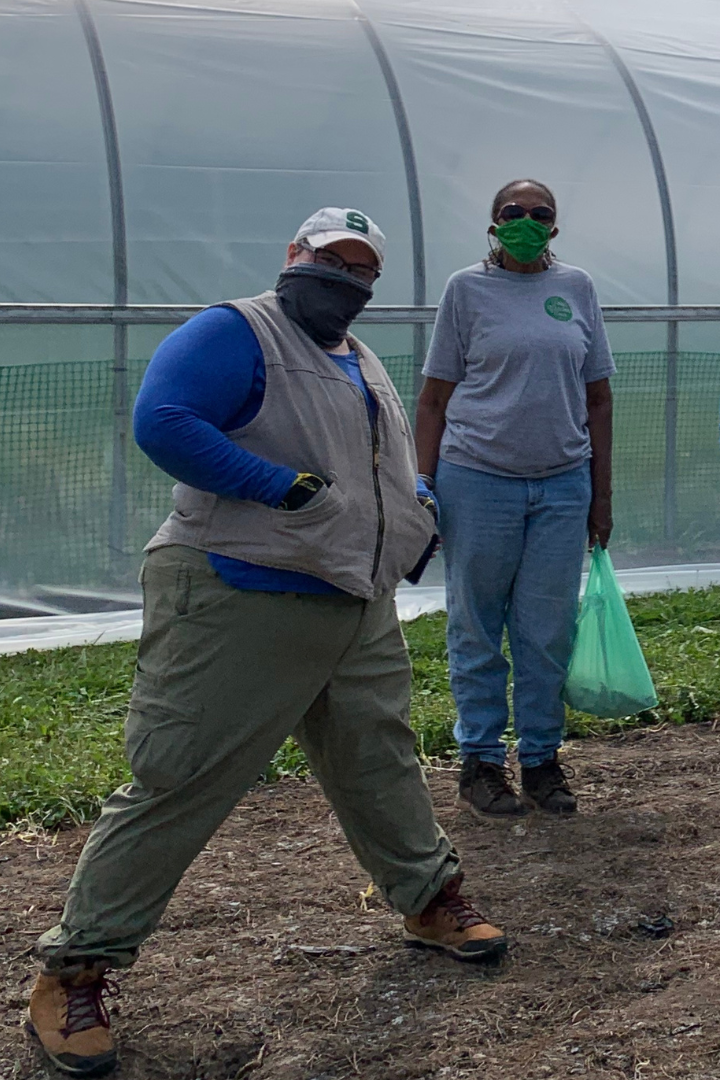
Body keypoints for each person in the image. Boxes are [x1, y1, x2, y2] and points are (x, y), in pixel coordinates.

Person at [28, 208, 506, 1077]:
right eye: (330, 260)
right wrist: (279, 488)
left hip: (353, 601)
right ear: (294, 256)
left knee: (378, 760)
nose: (344, 279)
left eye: (361, 270)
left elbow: (366, 461)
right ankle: (76, 971)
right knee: (180, 775)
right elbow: (164, 421)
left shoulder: (354, 357)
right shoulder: (236, 330)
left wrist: (415, 503)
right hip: (237, 593)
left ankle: (429, 900)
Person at [415, 179, 615, 822]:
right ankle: (479, 761)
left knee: (546, 629)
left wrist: (599, 494)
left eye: (540, 214)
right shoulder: (465, 290)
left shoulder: (576, 288)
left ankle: (540, 761)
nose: (527, 222)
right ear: (493, 223)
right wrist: (423, 487)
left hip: (562, 482)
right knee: (476, 623)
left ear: (555, 226)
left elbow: (599, 397)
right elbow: (435, 399)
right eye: (513, 213)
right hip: (477, 478)